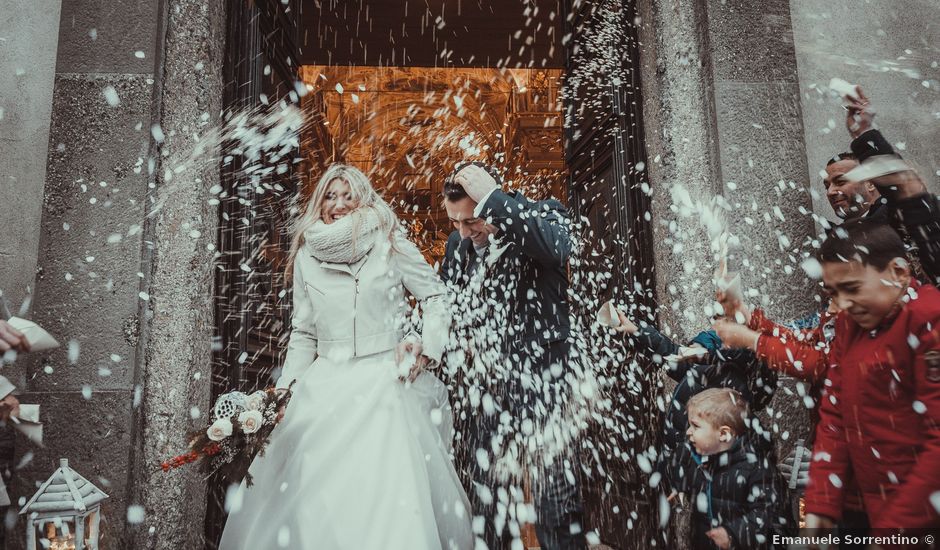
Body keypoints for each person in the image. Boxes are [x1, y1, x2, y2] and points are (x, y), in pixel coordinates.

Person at [219, 164, 473, 550]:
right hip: (325, 387)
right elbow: (304, 332)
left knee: (387, 497)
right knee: (316, 499)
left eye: (347, 195)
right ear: (319, 203)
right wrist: (283, 394)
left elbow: (435, 297)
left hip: (385, 385)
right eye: (329, 196)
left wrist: (425, 347)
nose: (338, 204)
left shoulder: (390, 239)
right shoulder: (306, 254)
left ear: (362, 198)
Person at [439, 162, 586, 550]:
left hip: (543, 383)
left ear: (490, 200)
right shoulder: (458, 244)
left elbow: (555, 249)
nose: (464, 233)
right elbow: (444, 304)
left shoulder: (543, 215)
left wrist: (494, 200)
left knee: (556, 502)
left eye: (471, 220)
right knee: (488, 502)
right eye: (455, 222)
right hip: (487, 390)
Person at [804, 219, 940, 532]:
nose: (842, 304)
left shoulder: (928, 320)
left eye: (852, 288)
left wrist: (896, 529)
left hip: (920, 516)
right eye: (834, 292)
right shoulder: (848, 325)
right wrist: (822, 501)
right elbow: (835, 414)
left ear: (898, 273)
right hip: (874, 508)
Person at [684, 388, 789, 549]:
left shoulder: (758, 471)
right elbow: (692, 479)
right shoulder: (708, 462)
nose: (688, 432)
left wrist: (734, 534)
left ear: (724, 434)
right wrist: (679, 483)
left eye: (695, 426)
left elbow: (769, 516)